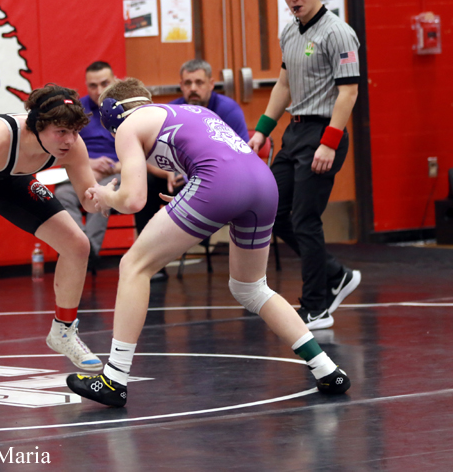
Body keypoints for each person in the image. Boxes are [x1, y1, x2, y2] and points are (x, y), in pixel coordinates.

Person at [66, 78, 351, 407]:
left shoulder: (129, 125)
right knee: (251, 288)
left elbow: (132, 200)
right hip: (262, 183)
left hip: (218, 185)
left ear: (112, 116)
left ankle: (114, 379)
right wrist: (190, 193)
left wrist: (105, 196)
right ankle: (327, 369)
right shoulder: (192, 112)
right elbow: (217, 155)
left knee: (133, 266)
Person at [0, 84, 104, 390]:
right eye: (61, 132)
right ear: (38, 125)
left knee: (78, 245)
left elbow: (89, 199)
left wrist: (111, 197)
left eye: (74, 132)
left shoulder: (73, 146)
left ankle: (63, 331)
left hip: (8, 178)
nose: (69, 140)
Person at [248, 0, 361, 330]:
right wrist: (263, 130)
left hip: (323, 132)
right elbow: (283, 85)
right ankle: (335, 274)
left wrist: (329, 143)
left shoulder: (338, 33)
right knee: (274, 212)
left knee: (305, 220)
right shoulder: (290, 31)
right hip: (294, 133)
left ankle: (317, 307)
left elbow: (348, 92)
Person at [135, 59, 251, 280]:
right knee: (147, 185)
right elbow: (146, 155)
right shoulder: (171, 111)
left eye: (199, 82)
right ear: (181, 85)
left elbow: (243, 157)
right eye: (188, 83)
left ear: (211, 84)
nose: (193, 88)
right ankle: (150, 265)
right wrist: (167, 173)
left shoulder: (228, 110)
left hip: (220, 182)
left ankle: (192, 234)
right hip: (181, 178)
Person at [54, 62, 121, 266]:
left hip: (115, 173)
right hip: (80, 171)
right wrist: (89, 166)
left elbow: (140, 153)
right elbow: (61, 151)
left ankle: (84, 253)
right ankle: (82, 247)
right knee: (62, 195)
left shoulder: (125, 110)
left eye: (104, 84)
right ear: (86, 85)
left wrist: (112, 168)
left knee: (102, 194)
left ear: (114, 81)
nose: (99, 91)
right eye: (93, 85)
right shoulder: (75, 111)